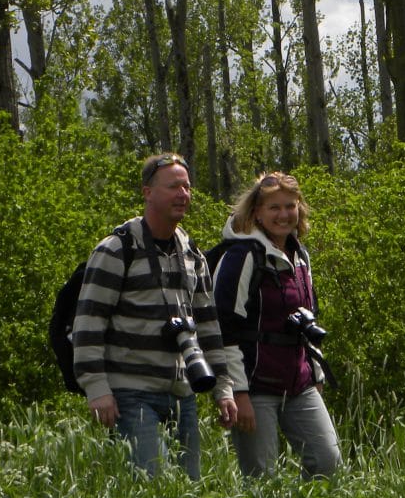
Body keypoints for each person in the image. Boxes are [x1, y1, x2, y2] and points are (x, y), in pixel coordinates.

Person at [72, 152, 238, 479]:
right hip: (131, 392)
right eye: (174, 187)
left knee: (188, 489)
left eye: (187, 187)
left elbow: (208, 328)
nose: (183, 194)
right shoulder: (117, 249)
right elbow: (88, 323)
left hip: (181, 392)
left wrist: (223, 388)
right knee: (156, 485)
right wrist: (97, 388)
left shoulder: (192, 255)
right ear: (147, 193)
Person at [212, 171, 341, 479]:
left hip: (300, 382)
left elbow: (309, 317)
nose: (283, 215)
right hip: (255, 388)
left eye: (290, 206)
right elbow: (223, 328)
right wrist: (237, 393)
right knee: (262, 481)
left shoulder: (299, 256)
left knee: (327, 462)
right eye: (274, 207)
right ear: (256, 212)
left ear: (299, 209)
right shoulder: (242, 256)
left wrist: (316, 373)